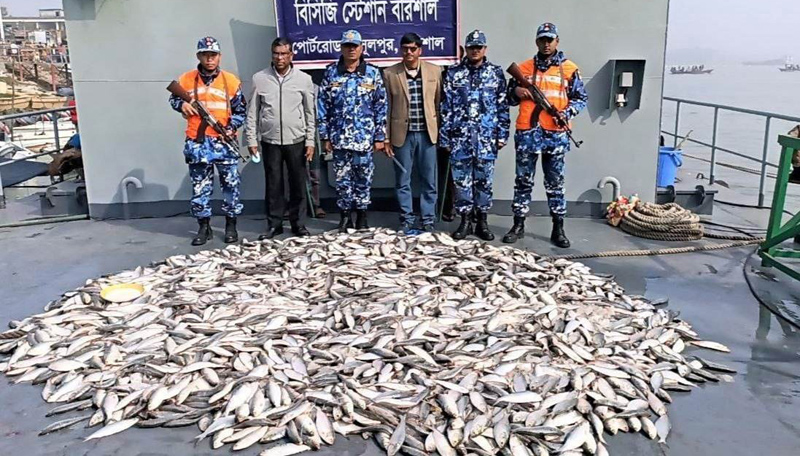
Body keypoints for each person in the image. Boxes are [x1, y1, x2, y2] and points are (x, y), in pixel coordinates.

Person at [502, 23, 588, 248]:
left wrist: (565, 112)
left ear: (557, 41)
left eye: (550, 40)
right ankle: (518, 225)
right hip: (528, 134)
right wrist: (517, 91)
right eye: (542, 40)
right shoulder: (524, 68)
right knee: (523, 182)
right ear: (536, 41)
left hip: (556, 135)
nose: (546, 44)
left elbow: (581, 98)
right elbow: (509, 98)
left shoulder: (569, 69)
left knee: (555, 183)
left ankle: (558, 228)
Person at [169, 37, 246, 246]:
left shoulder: (231, 81)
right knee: (200, 187)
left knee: (230, 185)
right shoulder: (186, 79)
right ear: (198, 56)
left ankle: (231, 225)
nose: (209, 59)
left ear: (219, 56)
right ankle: (204, 227)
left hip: (224, 142)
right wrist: (181, 106)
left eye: (213, 55)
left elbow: (241, 111)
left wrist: (230, 128)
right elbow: (174, 98)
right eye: (205, 54)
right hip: (197, 142)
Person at [439, 30, 509, 240]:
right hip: (460, 138)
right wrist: (445, 137)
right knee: (462, 183)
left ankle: (483, 222)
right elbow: (446, 107)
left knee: (484, 182)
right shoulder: (453, 73)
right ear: (466, 49)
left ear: (485, 49)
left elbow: (502, 106)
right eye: (471, 47)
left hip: (486, 139)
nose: (475, 51)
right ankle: (465, 221)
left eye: (479, 47)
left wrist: (502, 135)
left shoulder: (495, 73)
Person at [245, 37, 316, 240]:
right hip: (270, 140)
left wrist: (310, 140)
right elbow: (253, 112)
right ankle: (274, 224)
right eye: (276, 53)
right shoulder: (260, 78)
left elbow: (310, 112)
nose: (280, 57)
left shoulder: (303, 79)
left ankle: (298, 224)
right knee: (274, 184)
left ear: (291, 55)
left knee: (298, 184)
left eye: (284, 53)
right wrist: (252, 140)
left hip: (297, 139)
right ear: (272, 55)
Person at [317, 29, 387, 232]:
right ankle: (345, 217)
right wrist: (324, 135)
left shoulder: (372, 73)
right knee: (342, 180)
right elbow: (323, 106)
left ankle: (362, 216)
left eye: (354, 46)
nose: (351, 50)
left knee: (364, 178)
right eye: (347, 46)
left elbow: (381, 106)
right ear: (341, 48)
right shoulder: (331, 73)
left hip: (364, 139)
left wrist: (380, 136)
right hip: (339, 138)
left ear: (361, 48)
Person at [383, 32, 443, 234]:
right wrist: (386, 138)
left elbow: (438, 103)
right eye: (405, 49)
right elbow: (387, 107)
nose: (409, 52)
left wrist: (440, 131)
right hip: (402, 134)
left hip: (427, 134)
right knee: (403, 179)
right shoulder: (391, 74)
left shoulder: (435, 71)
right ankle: (407, 218)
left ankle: (427, 218)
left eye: (413, 49)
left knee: (429, 179)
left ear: (420, 50)